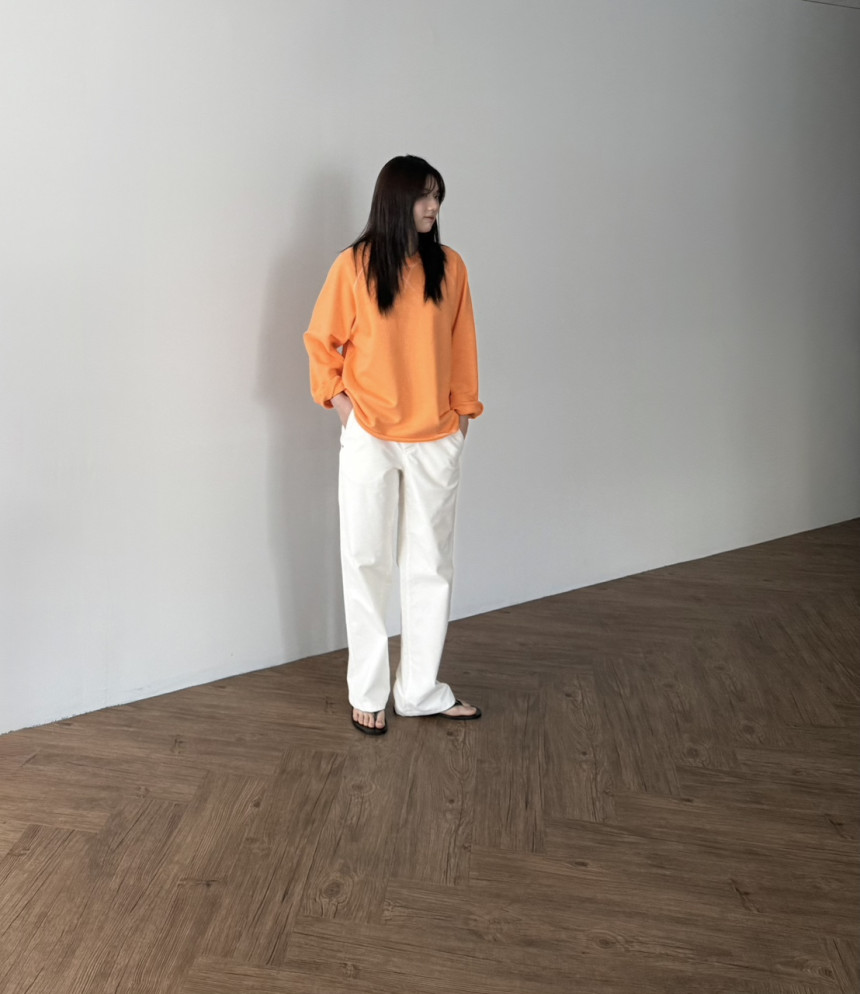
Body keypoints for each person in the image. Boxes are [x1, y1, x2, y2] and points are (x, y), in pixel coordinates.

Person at [303, 154, 483, 735]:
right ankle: (368, 690)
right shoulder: (353, 267)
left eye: (438, 196)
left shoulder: (450, 267)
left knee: (431, 566)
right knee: (366, 561)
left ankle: (420, 690)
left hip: (435, 436)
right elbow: (321, 342)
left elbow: (462, 346)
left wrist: (462, 418)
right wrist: (343, 407)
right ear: (395, 200)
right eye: (424, 196)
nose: (433, 206)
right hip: (371, 436)